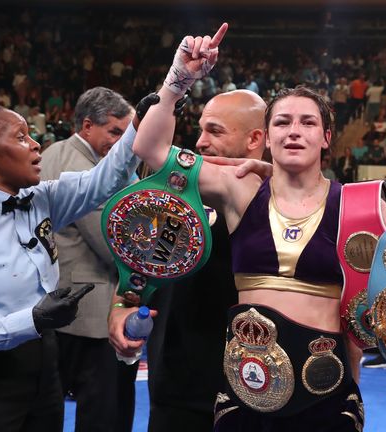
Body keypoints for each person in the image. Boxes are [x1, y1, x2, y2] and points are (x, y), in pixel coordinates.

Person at [120, 24, 386, 430]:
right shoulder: (238, 188)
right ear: (267, 136)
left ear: (326, 137)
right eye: (282, 122)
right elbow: (149, 149)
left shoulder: (359, 202)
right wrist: (178, 81)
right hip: (244, 383)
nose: (294, 131)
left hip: (325, 386)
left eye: (307, 123)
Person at [0, 99, 146, 430]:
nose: (36, 143)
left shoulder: (42, 199)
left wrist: (156, 107)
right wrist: (31, 319)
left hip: (43, 372)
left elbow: (105, 178)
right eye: (21, 136)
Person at [108, 89, 267, 432]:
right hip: (177, 382)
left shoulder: (283, 201)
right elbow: (143, 263)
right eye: (200, 130)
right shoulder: (177, 190)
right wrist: (122, 304)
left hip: (254, 382)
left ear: (255, 138)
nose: (201, 142)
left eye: (215, 131)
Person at [40, 87, 137, 432]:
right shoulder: (83, 168)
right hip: (94, 313)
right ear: (86, 126)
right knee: (104, 414)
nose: (120, 141)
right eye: (114, 131)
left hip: (63, 304)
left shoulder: (52, 152)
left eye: (126, 133)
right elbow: (116, 247)